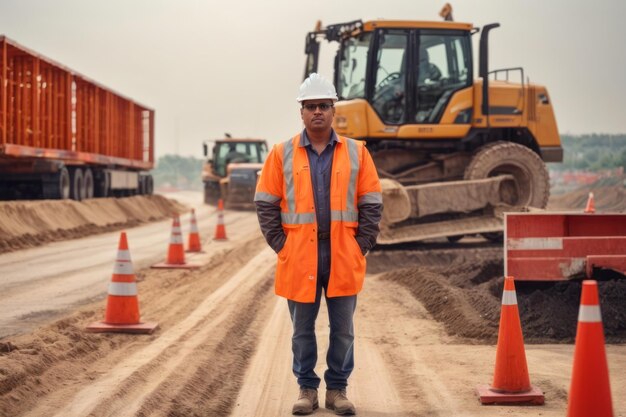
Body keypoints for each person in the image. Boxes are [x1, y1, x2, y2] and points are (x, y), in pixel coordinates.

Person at [254, 73, 383, 416]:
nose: (317, 113)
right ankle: (307, 389)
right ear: (301, 111)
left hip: (342, 254)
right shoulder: (281, 154)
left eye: (324, 106)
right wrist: (282, 245)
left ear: (333, 109)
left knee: (343, 330)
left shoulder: (357, 152)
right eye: (311, 106)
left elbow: (372, 202)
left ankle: (337, 391)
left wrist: (361, 245)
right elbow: (265, 203)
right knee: (302, 330)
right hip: (300, 256)